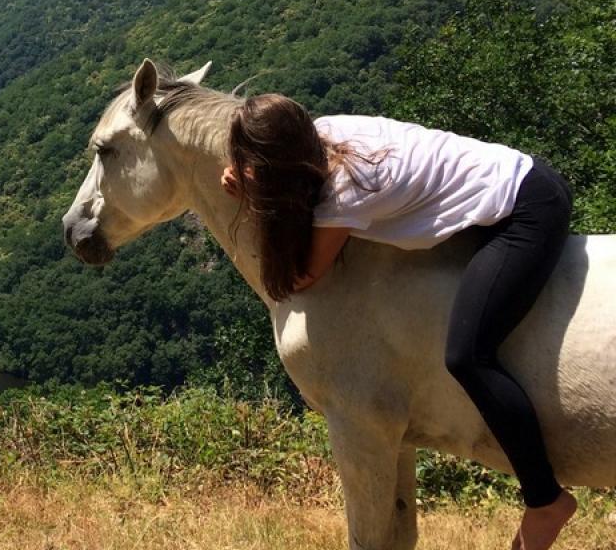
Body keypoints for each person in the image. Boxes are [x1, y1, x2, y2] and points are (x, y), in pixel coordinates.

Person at [220, 93, 576, 550]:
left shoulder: (345, 191)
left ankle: (545, 500)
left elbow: (302, 276)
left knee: (468, 355)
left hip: (527, 207)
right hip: (515, 179)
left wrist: (251, 201)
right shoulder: (323, 131)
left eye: (254, 163)